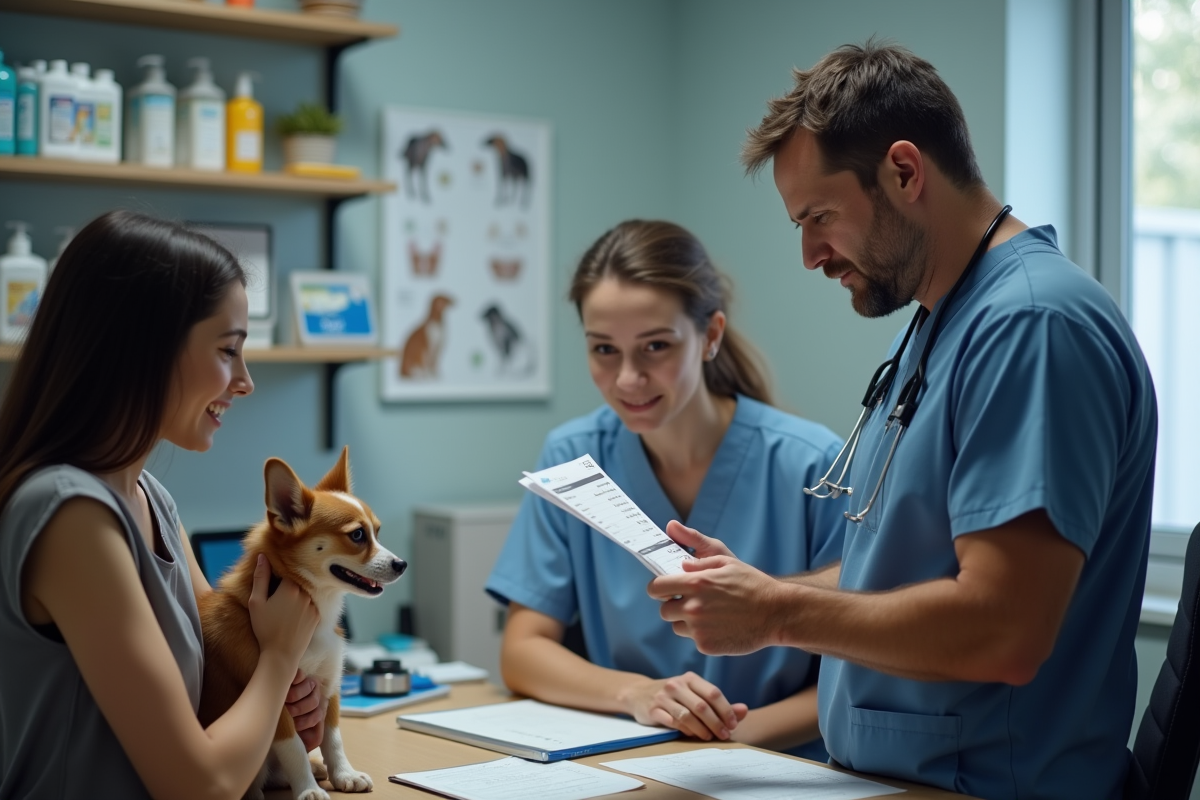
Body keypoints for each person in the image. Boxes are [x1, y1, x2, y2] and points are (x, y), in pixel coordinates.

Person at [648, 41, 1157, 800]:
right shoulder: (937, 323)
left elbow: (1004, 629)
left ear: (906, 172)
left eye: (819, 216)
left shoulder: (1032, 326)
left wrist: (778, 615)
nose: (809, 254)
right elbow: (897, 563)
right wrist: (752, 589)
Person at [485, 219, 847, 760]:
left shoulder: (812, 464)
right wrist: (638, 695)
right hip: (636, 756)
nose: (628, 378)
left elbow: (859, 669)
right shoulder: (571, 458)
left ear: (711, 335)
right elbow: (523, 650)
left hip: (778, 767)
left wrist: (728, 738)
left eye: (655, 346)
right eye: (604, 350)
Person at [0, 210, 326, 800]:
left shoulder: (152, 499)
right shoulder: (70, 516)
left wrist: (279, 689)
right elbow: (197, 785)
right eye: (229, 351)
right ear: (143, 350)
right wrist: (278, 663)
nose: (245, 381)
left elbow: (227, 658)